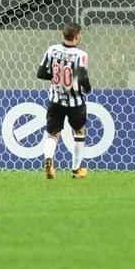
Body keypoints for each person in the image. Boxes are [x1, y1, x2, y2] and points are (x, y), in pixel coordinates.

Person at [36, 22, 93, 180]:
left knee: (52, 134)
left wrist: (56, 77)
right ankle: (76, 169)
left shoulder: (52, 50)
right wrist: (87, 89)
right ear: (77, 36)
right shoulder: (81, 55)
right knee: (80, 131)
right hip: (75, 102)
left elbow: (41, 73)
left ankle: (49, 161)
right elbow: (82, 77)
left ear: (63, 35)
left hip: (55, 100)